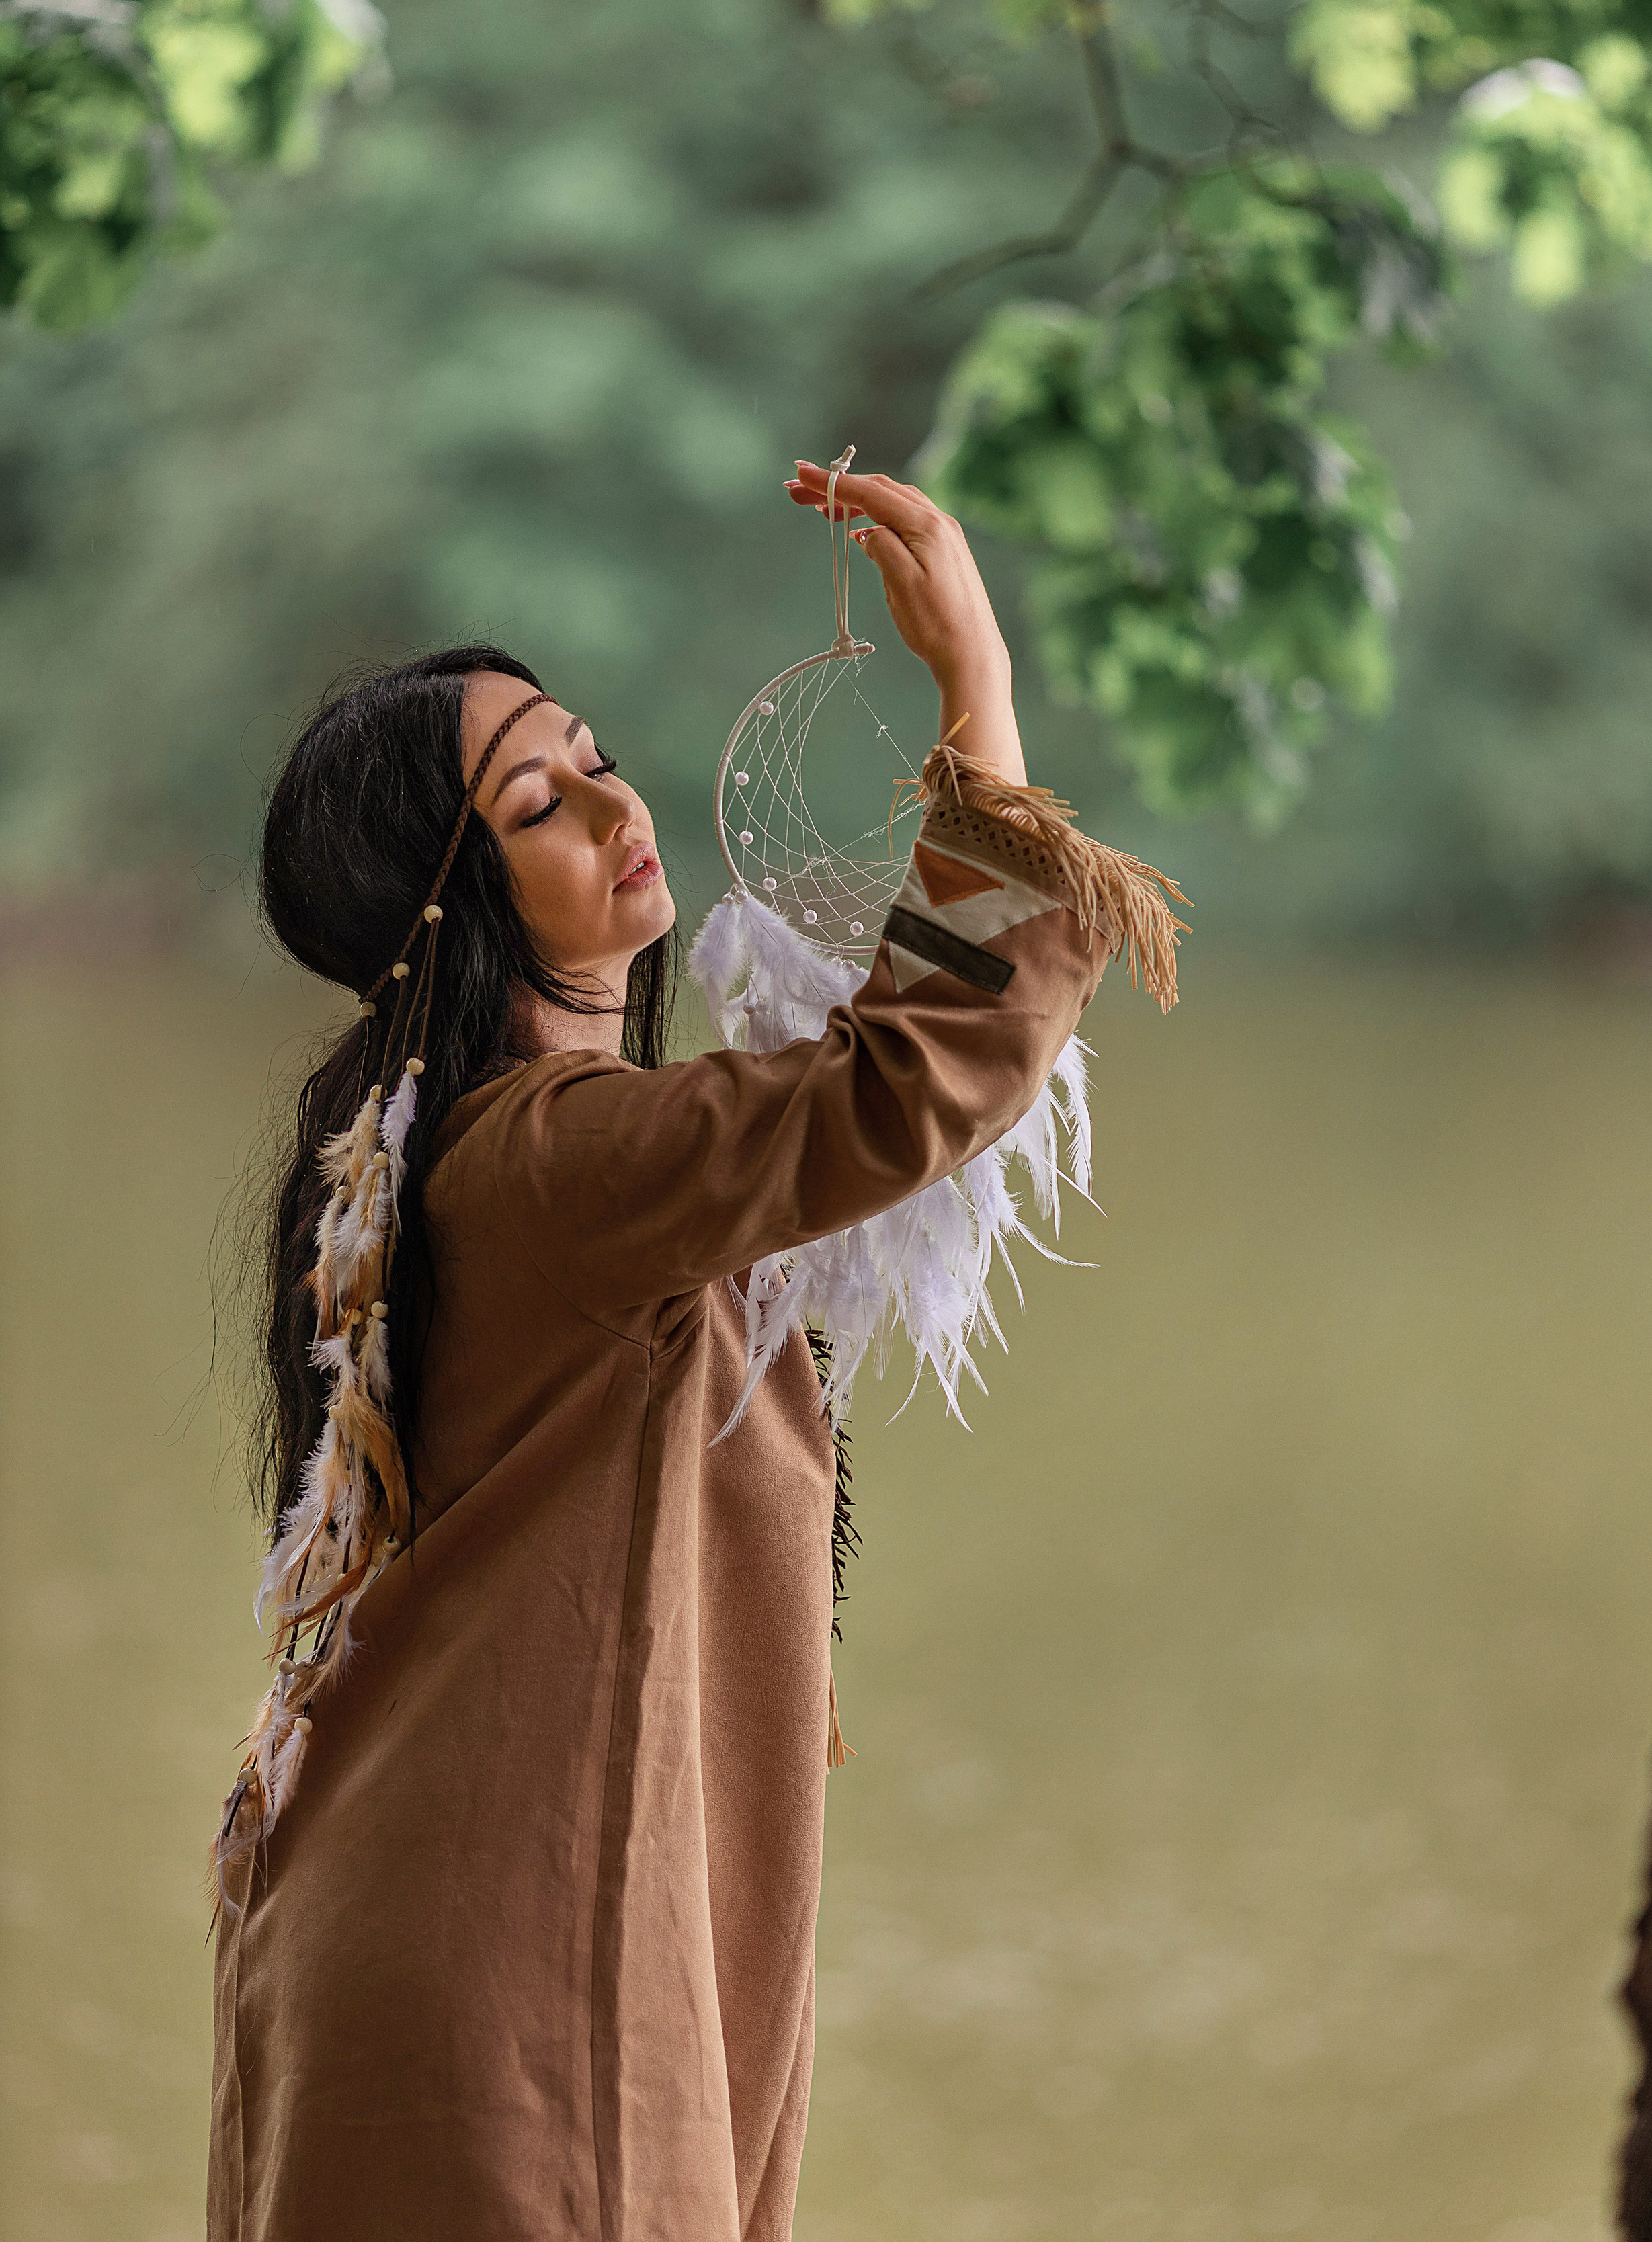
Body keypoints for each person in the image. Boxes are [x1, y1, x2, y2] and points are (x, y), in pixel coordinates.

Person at [207, 463, 1180, 2241]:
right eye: (533, 805)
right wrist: (977, 694)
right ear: (456, 910)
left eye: (588, 754)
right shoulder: (547, 1159)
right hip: (499, 1969)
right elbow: (908, 1078)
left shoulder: (509, 1157)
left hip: (448, 1922)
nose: (607, 799)